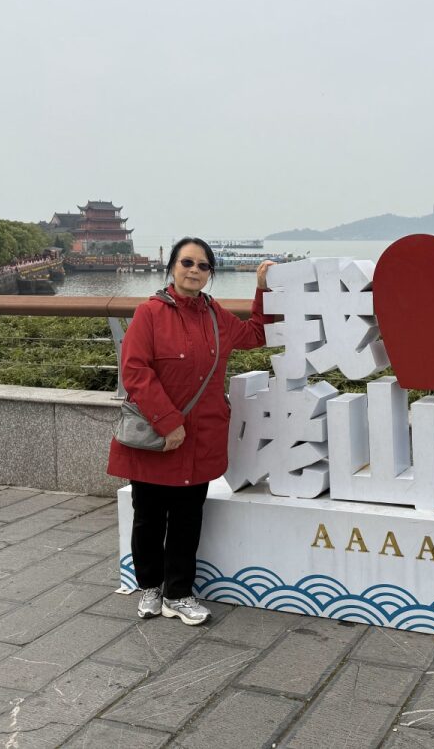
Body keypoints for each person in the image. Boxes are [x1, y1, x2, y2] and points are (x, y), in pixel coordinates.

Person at [108, 236, 275, 623]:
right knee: (148, 516)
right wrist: (169, 423)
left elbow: (255, 335)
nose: (194, 271)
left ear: (209, 273)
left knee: (187, 518)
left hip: (201, 436)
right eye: (187, 263)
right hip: (157, 436)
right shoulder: (149, 313)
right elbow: (134, 371)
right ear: (172, 267)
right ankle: (149, 586)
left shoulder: (216, 315)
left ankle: (178, 592)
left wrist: (262, 291)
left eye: (203, 266)